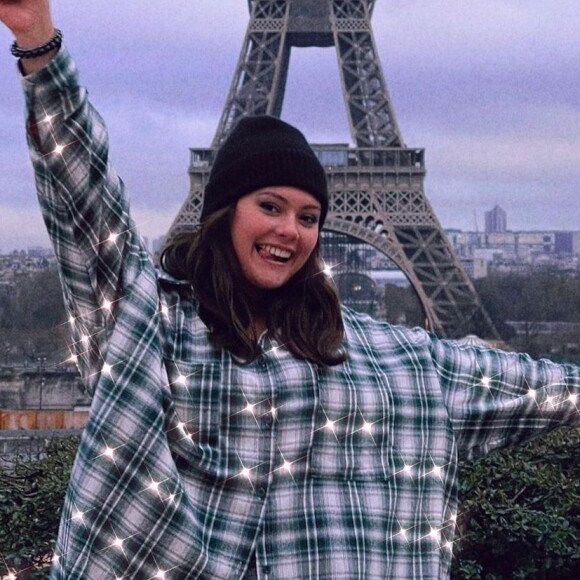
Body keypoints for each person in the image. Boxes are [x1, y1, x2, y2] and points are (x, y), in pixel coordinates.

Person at [2, 1, 579, 578]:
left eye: (308, 217)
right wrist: (39, 42)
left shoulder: (385, 359)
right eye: (270, 206)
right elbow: (84, 203)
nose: (289, 230)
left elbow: (536, 386)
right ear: (225, 212)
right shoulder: (148, 325)